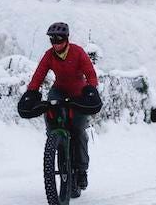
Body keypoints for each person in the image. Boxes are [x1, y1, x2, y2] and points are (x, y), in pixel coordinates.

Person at [26, 22, 99, 197]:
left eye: (59, 39)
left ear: (66, 39)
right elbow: (39, 74)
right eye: (53, 40)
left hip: (78, 92)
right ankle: (55, 137)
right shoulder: (49, 55)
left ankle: (81, 171)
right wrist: (31, 92)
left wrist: (91, 89)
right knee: (50, 106)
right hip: (59, 90)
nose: (56, 43)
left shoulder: (77, 52)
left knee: (79, 131)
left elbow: (90, 73)